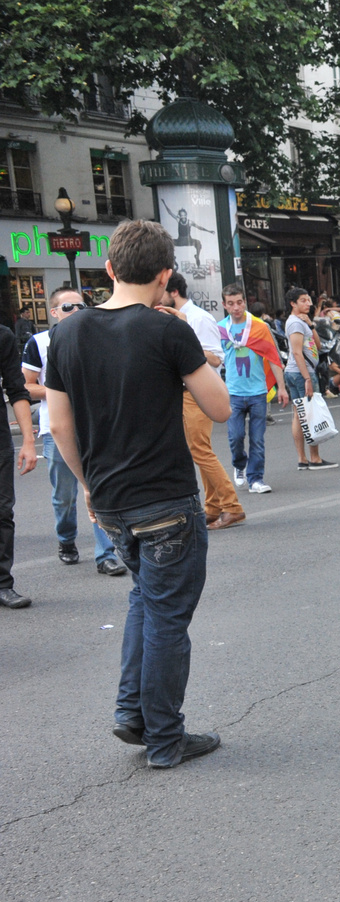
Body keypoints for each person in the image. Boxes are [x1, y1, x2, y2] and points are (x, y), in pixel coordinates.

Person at [43, 219, 230, 765]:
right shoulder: (167, 329)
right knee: (168, 613)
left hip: (111, 499)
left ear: (108, 268)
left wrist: (87, 487)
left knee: (144, 599)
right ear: (166, 273)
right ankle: (165, 737)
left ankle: (133, 712)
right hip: (165, 496)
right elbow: (218, 407)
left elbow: (59, 426)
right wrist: (184, 339)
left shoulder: (68, 332)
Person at [20, 288, 125, 575]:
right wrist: (59, 392)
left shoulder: (99, 340)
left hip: (95, 428)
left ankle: (106, 555)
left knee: (98, 488)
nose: (76, 311)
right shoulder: (39, 342)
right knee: (65, 495)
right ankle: (66, 539)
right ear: (53, 313)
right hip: (58, 430)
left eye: (81, 306)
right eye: (68, 307)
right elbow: (26, 386)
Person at [159, 274, 245, 530]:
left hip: (197, 392)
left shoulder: (197, 318)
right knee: (198, 450)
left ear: (172, 292)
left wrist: (187, 343)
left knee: (200, 451)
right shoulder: (173, 316)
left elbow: (217, 359)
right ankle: (213, 506)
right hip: (183, 392)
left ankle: (231, 506)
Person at [218, 283, 287, 493]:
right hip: (233, 393)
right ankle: (239, 465)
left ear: (244, 302)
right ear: (224, 305)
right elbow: (213, 359)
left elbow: (273, 358)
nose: (236, 307)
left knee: (257, 439)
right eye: (231, 303)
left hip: (258, 391)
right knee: (236, 436)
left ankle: (256, 478)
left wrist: (282, 388)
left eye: (239, 302)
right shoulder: (221, 329)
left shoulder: (259, 326)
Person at [0, 320, 39, 608]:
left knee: (2, 512)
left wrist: (28, 441)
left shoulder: (2, 336)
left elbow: (17, 389)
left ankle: (3, 584)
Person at [280, 288, 337, 471]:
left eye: (309, 300)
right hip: (301, 373)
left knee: (300, 413)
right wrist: (307, 378)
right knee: (308, 413)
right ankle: (313, 457)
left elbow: (318, 346)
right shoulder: (295, 324)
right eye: (303, 300)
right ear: (293, 303)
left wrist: (311, 325)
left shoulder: (302, 322)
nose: (308, 303)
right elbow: (297, 352)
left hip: (299, 372)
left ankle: (303, 459)